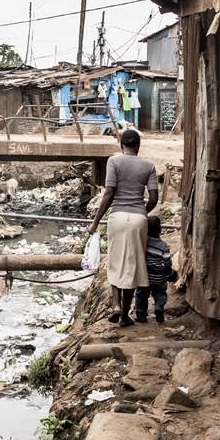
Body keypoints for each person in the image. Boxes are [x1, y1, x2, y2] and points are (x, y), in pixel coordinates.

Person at [87, 129, 158, 327]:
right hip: (138, 220)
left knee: (115, 261)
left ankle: (116, 305)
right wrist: (142, 212)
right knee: (132, 265)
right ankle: (125, 316)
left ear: (121, 145)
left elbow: (109, 192)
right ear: (138, 146)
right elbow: (154, 198)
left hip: (117, 217)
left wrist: (95, 221)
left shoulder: (114, 161)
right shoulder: (149, 165)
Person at [135, 215, 173, 323]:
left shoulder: (143, 243)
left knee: (141, 295)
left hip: (144, 276)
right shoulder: (163, 246)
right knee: (160, 293)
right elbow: (167, 262)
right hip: (158, 276)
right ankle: (158, 307)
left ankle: (141, 315)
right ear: (160, 229)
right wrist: (169, 272)